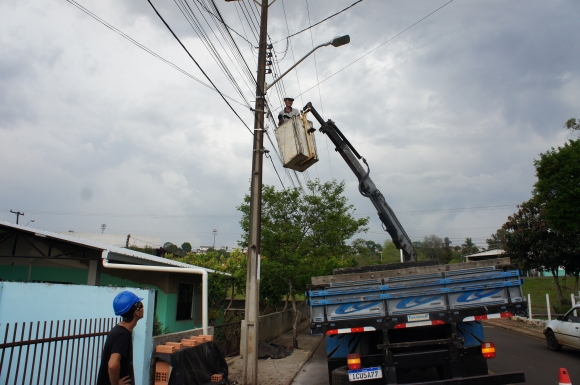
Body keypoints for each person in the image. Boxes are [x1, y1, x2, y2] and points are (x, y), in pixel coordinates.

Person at [97, 291, 144, 385]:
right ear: (137, 312)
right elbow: (112, 365)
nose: (143, 308)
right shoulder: (123, 335)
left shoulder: (118, 330)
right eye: (141, 305)